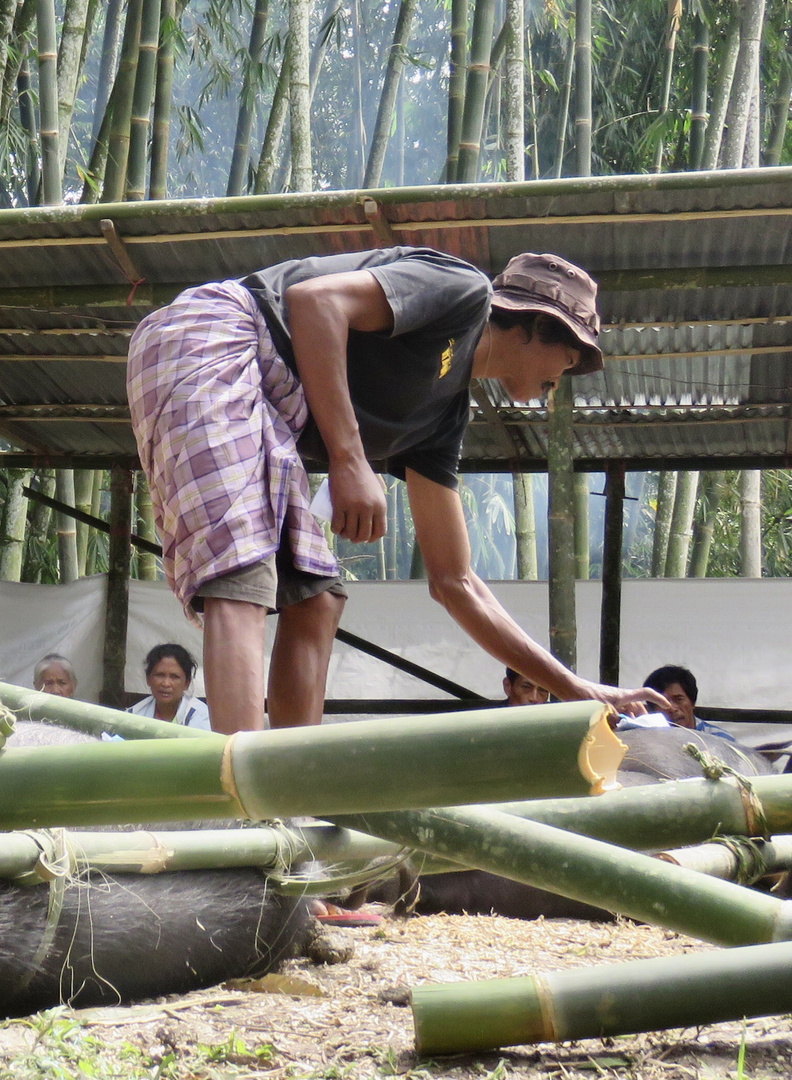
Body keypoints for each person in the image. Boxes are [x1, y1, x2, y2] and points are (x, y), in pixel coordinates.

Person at [126, 248, 664, 734]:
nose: (564, 377)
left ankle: (290, 794)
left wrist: (578, 689)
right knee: (243, 573)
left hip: (270, 413)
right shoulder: (462, 292)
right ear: (534, 326)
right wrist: (349, 459)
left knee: (316, 599)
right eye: (569, 358)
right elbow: (314, 302)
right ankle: (242, 801)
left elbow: (455, 581)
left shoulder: (442, 418)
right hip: (216, 339)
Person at [636, 665, 739, 742]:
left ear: (692, 702)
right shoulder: (648, 741)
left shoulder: (721, 740)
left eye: (679, 699)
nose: (672, 708)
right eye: (663, 702)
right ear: (653, 709)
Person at [127, 644, 212, 730]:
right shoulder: (133, 714)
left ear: (187, 683)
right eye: (160, 675)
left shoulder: (201, 716)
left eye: (174, 677)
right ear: (148, 679)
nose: (166, 684)